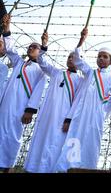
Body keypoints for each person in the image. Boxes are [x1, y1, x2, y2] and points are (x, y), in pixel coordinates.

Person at [55, 27, 111, 172]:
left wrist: (103, 114)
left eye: (105, 57)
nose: (101, 58)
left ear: (110, 61)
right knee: (74, 139)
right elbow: (77, 59)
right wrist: (82, 40)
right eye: (99, 56)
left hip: (96, 117)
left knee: (91, 142)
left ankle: (87, 168)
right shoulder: (90, 72)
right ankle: (69, 168)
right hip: (80, 115)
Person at [23, 31, 83, 173]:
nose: (70, 59)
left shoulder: (81, 81)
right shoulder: (56, 72)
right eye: (69, 57)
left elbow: (77, 103)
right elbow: (42, 61)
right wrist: (44, 44)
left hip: (63, 119)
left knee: (56, 146)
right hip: (47, 116)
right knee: (41, 142)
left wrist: (69, 119)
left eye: (74, 58)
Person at [0, 14, 46, 172]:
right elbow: (10, 49)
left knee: (13, 135)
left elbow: (38, 92)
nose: (31, 48)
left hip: (21, 108)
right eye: (30, 46)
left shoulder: (41, 70)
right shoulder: (19, 62)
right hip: (6, 105)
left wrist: (30, 110)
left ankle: (8, 166)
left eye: (35, 47)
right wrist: (7, 28)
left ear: (40, 52)